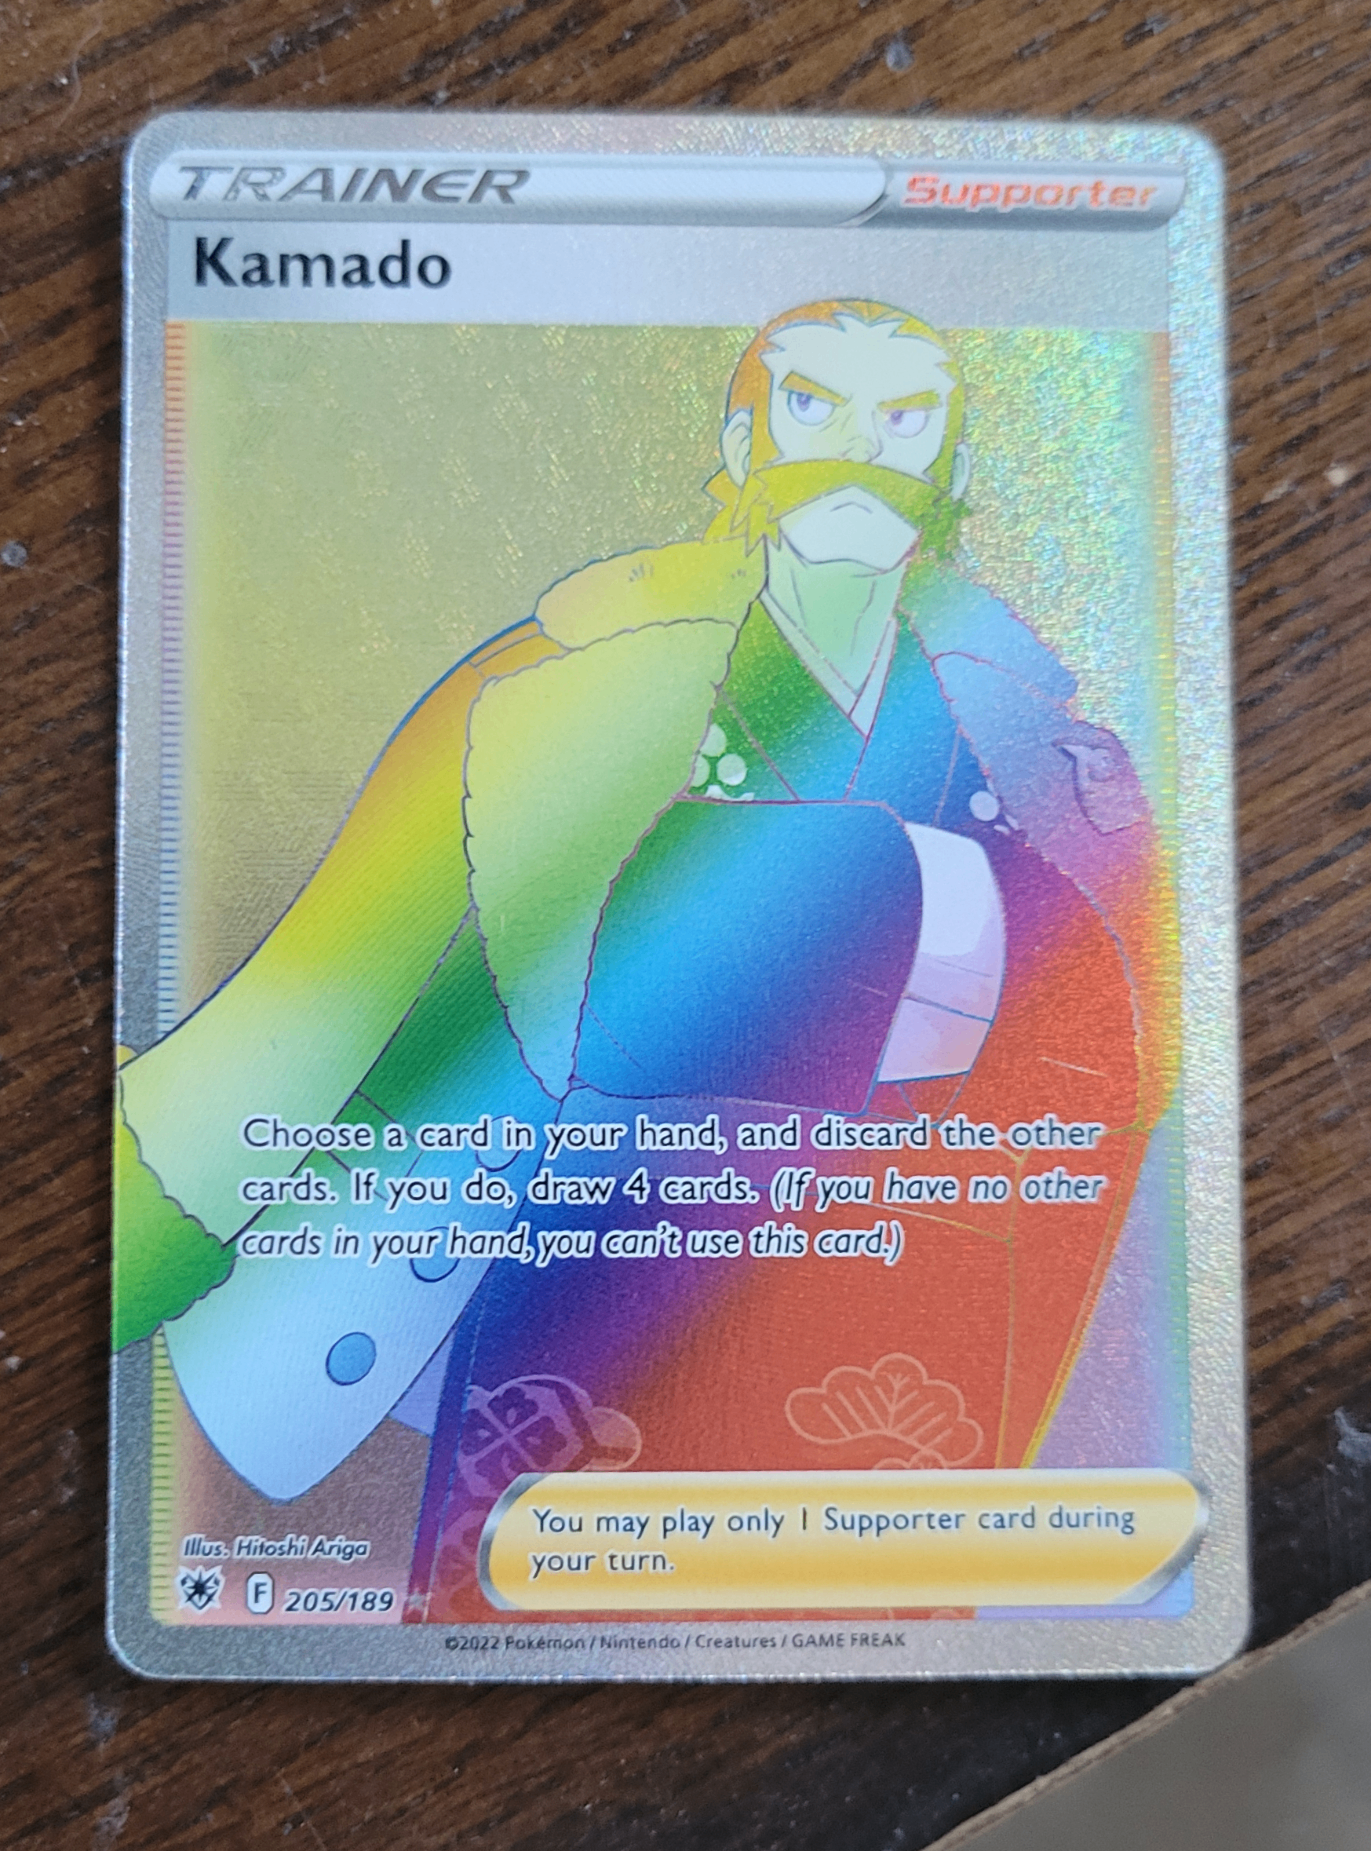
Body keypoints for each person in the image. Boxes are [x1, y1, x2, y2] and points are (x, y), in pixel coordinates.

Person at [118, 302, 1174, 1589]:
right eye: (813, 408)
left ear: (949, 467)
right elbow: (316, 997)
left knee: (858, 1633)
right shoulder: (557, 687)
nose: (857, 451)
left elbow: (1109, 1059)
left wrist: (819, 924)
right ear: (740, 443)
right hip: (595, 1289)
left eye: (903, 422)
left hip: (901, 1318)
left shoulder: (1051, 754)